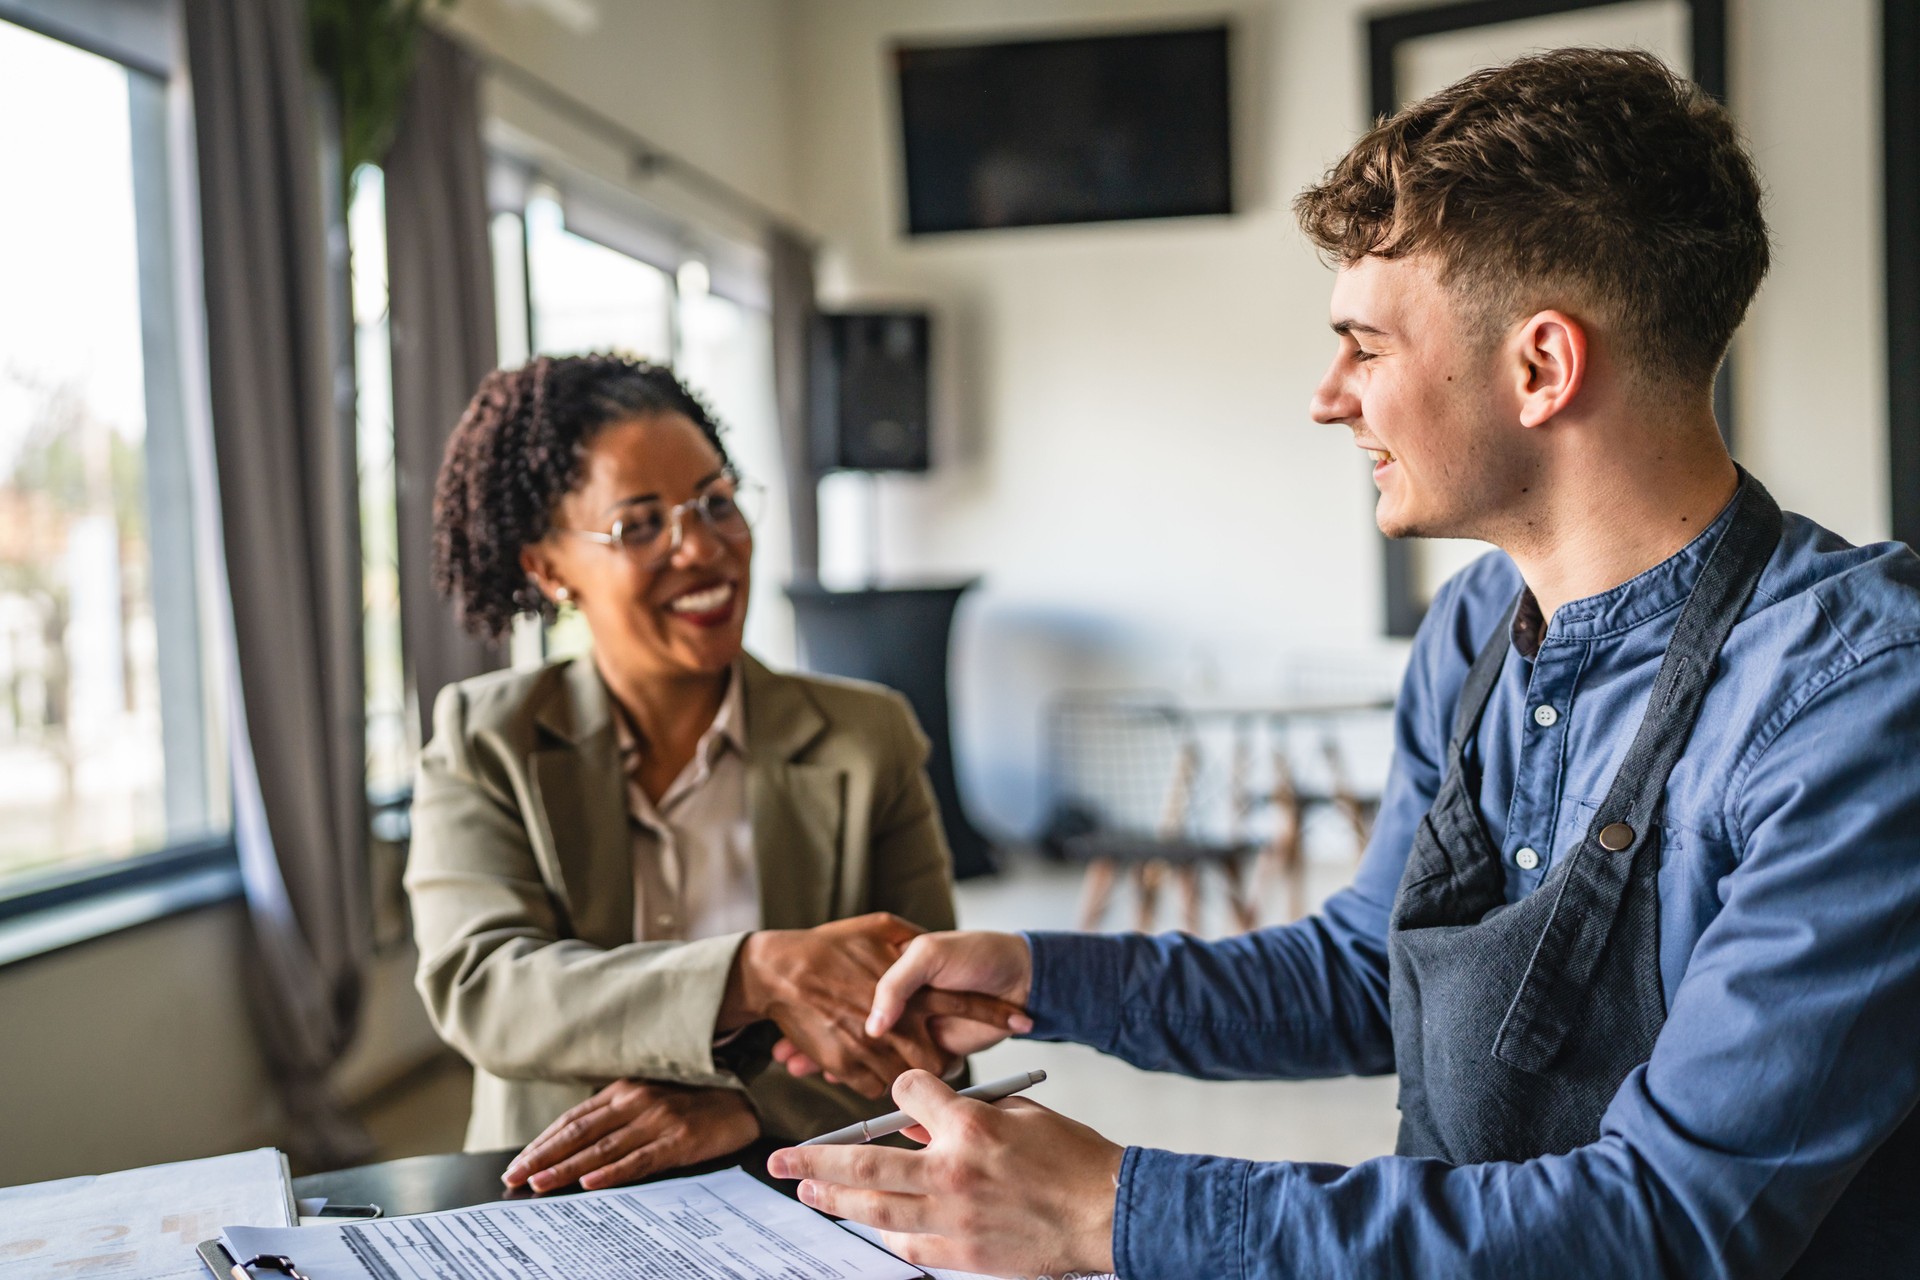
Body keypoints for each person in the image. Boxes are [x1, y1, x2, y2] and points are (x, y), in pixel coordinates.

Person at [767, 48, 1920, 1278]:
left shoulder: (1859, 702)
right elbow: (1370, 970)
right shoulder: (1478, 625)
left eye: (1365, 345)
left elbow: (1670, 1222)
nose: (1329, 397)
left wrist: (1109, 1208)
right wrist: (1046, 974)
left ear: (1542, 367)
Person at [409, 354, 1019, 1194]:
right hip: (554, 1192)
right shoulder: (485, 739)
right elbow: (485, 987)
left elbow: (924, 1034)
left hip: (800, 1189)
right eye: (641, 524)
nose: (702, 548)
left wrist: (748, 1105)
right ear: (549, 570)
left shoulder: (867, 738)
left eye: (716, 503)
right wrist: (756, 972)